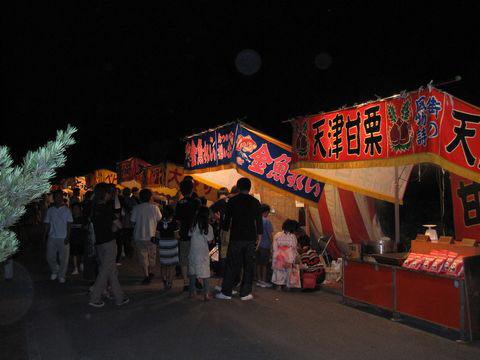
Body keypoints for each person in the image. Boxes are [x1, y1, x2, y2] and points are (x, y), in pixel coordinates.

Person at [216, 178, 262, 301]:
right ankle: (245, 293)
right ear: (250, 187)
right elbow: (259, 221)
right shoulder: (255, 202)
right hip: (250, 238)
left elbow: (226, 220)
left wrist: (224, 230)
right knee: (248, 266)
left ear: (238, 186)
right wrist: (259, 237)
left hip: (236, 237)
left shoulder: (232, 201)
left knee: (232, 264)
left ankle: (226, 292)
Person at [89, 183, 129, 308]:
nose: (110, 194)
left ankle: (119, 297)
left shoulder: (94, 208)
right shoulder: (106, 208)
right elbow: (117, 226)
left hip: (99, 243)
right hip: (109, 243)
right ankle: (95, 297)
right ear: (104, 194)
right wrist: (119, 226)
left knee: (111, 271)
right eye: (108, 192)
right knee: (106, 270)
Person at [131, 188, 162, 284]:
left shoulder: (136, 208)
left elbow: (132, 221)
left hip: (139, 235)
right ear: (150, 197)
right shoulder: (155, 208)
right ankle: (151, 271)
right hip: (152, 236)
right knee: (152, 255)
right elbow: (159, 219)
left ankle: (146, 275)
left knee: (142, 256)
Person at [174, 179, 201, 291]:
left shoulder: (179, 203)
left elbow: (178, 221)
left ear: (181, 190)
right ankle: (196, 281)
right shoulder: (197, 202)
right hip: (195, 234)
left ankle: (186, 282)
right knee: (195, 258)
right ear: (192, 189)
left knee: (184, 258)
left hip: (184, 233)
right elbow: (200, 217)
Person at [44, 190, 73, 283]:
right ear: (54, 198)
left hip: (63, 236)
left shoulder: (67, 210)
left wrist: (68, 236)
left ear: (62, 198)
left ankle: (61, 275)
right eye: (56, 197)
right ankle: (55, 270)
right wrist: (44, 236)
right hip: (52, 237)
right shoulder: (50, 210)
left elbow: (69, 224)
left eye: (59, 197)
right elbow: (47, 224)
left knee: (64, 259)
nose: (58, 198)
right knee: (49, 256)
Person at [188, 206, 214, 300]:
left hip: (193, 252)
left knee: (193, 272)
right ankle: (206, 294)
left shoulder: (193, 225)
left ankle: (192, 292)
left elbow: (189, 235)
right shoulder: (208, 227)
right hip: (203, 253)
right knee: (205, 273)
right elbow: (210, 240)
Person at [151, 205, 179, 290]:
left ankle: (164, 280)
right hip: (172, 245)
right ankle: (169, 282)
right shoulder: (174, 223)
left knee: (163, 264)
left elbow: (157, 235)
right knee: (172, 265)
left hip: (163, 244)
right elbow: (176, 236)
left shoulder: (159, 223)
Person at [271, 219, 301, 290]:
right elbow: (294, 247)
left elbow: (274, 247)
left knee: (279, 271)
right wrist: (295, 256)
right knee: (288, 271)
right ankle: (287, 286)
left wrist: (275, 256)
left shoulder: (277, 235)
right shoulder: (293, 236)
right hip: (289, 255)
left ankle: (278, 286)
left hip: (279, 255)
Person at [256, 204, 273, 288]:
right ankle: (263, 280)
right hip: (265, 245)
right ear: (266, 212)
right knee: (264, 264)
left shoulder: (256, 220)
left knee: (258, 263)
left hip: (257, 245)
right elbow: (270, 234)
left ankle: (259, 280)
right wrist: (272, 244)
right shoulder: (267, 221)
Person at [69, 203, 88, 275]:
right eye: (74, 209)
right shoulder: (70, 218)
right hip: (73, 239)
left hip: (82, 239)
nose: (75, 210)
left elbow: (86, 228)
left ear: (80, 210)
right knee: (74, 254)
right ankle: (75, 268)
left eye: (77, 208)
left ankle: (82, 264)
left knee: (82, 253)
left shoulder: (84, 218)